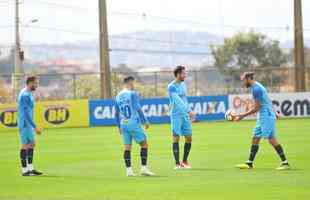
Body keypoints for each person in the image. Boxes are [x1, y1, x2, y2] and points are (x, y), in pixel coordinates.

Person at [235, 72, 290, 170]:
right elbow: (267, 100)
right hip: (263, 115)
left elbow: (257, 107)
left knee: (271, 139)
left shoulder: (256, 89)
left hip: (266, 115)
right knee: (255, 137)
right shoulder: (256, 86)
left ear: (248, 78)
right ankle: (249, 163)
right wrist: (275, 111)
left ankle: (285, 163)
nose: (242, 82)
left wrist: (242, 116)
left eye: (243, 80)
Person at [115, 76, 155, 176]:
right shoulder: (132, 94)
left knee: (127, 147)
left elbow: (116, 113)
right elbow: (138, 108)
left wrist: (118, 127)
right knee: (144, 144)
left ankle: (128, 171)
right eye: (133, 83)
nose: (134, 85)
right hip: (133, 123)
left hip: (123, 124)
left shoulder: (118, 96)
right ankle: (144, 168)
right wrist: (145, 121)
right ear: (129, 83)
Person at [167, 65, 195, 169]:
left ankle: (184, 161)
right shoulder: (171, 86)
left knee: (189, 137)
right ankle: (177, 163)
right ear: (178, 74)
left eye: (185, 73)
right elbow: (177, 100)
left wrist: (188, 110)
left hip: (185, 114)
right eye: (183, 73)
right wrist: (189, 111)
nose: (185, 75)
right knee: (176, 137)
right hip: (176, 114)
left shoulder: (183, 84)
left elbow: (184, 99)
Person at [17, 76, 43, 176]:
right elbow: (26, 113)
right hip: (25, 123)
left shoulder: (27, 93)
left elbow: (28, 107)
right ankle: (24, 170)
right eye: (35, 83)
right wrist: (35, 126)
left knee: (32, 143)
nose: (37, 85)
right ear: (30, 83)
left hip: (27, 123)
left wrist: (35, 100)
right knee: (25, 145)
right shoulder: (25, 95)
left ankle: (30, 168)